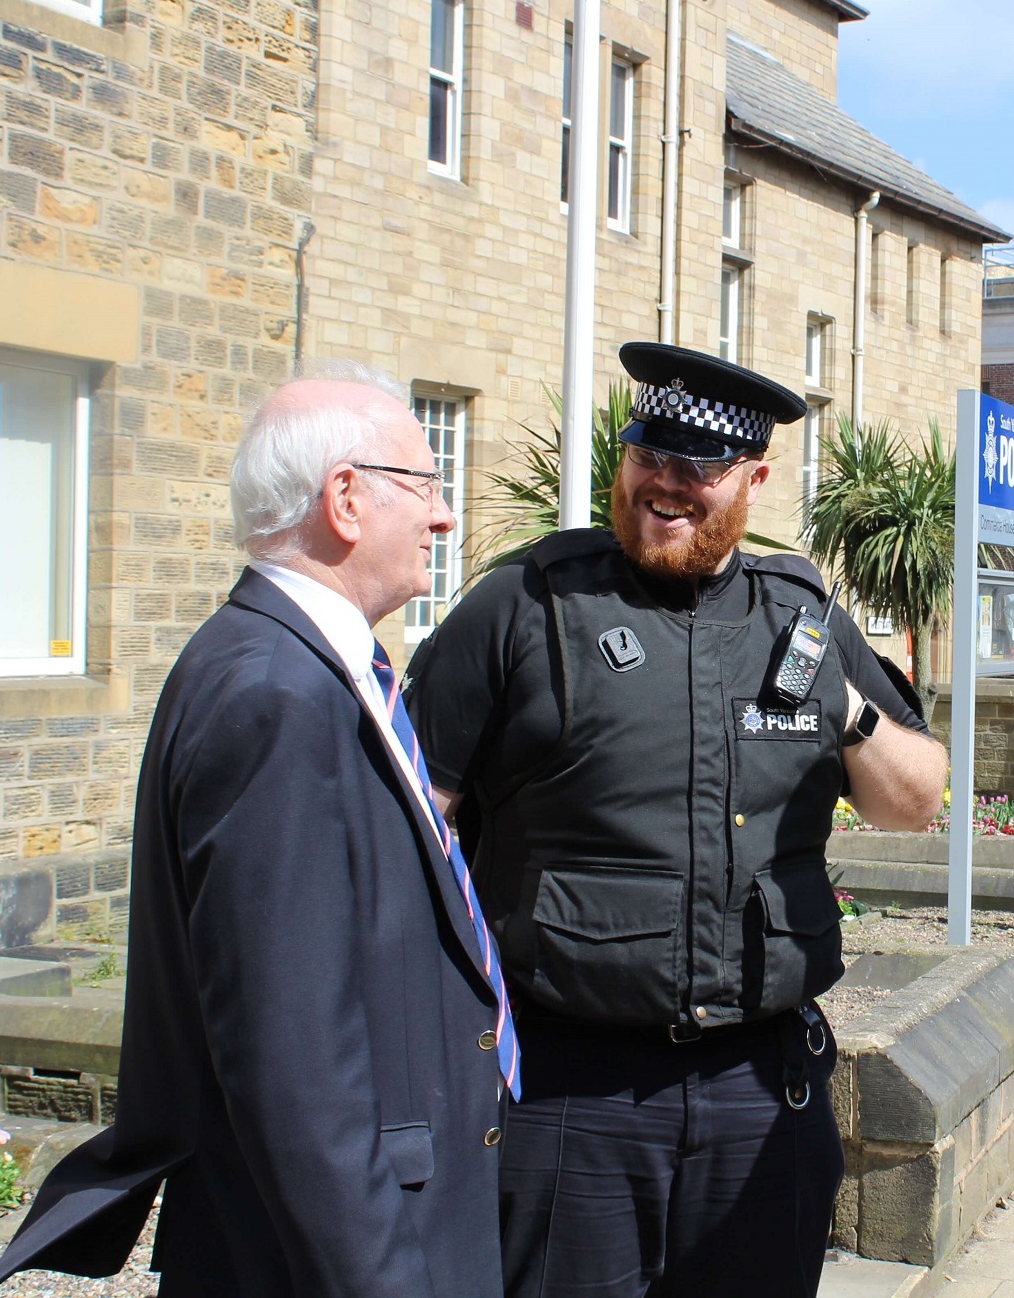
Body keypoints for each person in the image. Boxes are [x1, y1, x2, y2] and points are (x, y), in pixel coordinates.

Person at [404, 342, 949, 1298]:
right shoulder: (526, 604)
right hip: (570, 1094)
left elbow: (914, 801)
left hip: (760, 1092)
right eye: (649, 453)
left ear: (754, 479)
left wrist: (845, 708)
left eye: (700, 467)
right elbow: (408, 831)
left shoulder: (804, 618)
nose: (667, 485)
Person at [0, 366, 512, 1298]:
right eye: (427, 485)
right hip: (332, 1254)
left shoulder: (300, 665)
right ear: (345, 498)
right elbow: (292, 1059)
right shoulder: (274, 692)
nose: (445, 516)